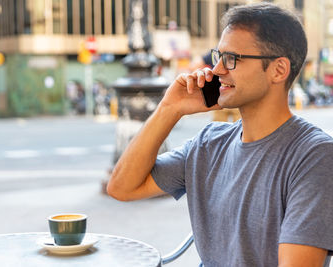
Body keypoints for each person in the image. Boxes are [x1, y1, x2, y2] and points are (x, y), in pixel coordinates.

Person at [107, 3, 333, 267]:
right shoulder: (209, 143)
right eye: (218, 56)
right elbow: (121, 187)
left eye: (231, 59)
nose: (216, 71)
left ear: (278, 70)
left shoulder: (316, 157)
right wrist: (169, 108)